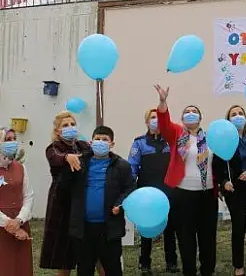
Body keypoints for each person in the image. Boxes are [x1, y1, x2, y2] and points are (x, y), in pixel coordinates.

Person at [154, 84, 218, 276]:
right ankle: (189, 271)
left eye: (194, 112)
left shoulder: (211, 138)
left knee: (208, 237)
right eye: (187, 112)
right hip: (183, 194)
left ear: (200, 118)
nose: (191, 114)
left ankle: (207, 270)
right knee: (186, 237)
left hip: (207, 194)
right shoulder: (177, 134)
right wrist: (163, 102)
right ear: (182, 118)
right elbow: (164, 123)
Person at [65, 126, 135, 276]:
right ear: (91, 142)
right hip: (83, 229)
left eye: (105, 140)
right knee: (84, 269)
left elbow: (130, 189)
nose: (101, 142)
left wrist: (119, 204)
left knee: (113, 269)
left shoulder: (122, 166)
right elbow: (65, 185)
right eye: (97, 139)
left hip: (109, 228)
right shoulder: (79, 163)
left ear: (112, 144)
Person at [213, 105, 246, 276]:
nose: (237, 117)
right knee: (238, 228)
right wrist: (224, 181)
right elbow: (217, 165)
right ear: (228, 120)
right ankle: (238, 265)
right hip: (235, 190)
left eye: (240, 114)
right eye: (233, 115)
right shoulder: (224, 141)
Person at [128, 109, 179, 275]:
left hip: (169, 191)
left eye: (158, 117)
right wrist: (130, 188)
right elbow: (132, 167)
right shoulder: (139, 143)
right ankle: (145, 263)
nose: (156, 120)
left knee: (170, 228)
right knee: (146, 228)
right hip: (146, 193)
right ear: (147, 121)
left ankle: (171, 262)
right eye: (152, 117)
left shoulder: (170, 141)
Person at [40, 111, 92, 275]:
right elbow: (55, 157)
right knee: (64, 256)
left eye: (72, 124)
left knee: (92, 251)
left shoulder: (83, 145)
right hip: (61, 204)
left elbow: (91, 154)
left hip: (82, 201)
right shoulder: (53, 148)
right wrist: (66, 158)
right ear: (57, 131)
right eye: (65, 125)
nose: (70, 128)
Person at [0, 133, 34, 275]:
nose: (12, 142)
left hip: (21, 222)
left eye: (14, 139)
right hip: (2, 225)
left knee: (22, 266)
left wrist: (20, 220)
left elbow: (28, 195)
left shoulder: (20, 167)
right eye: (8, 140)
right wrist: (10, 225)